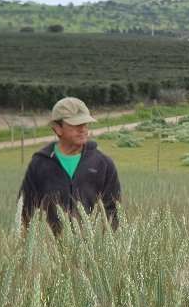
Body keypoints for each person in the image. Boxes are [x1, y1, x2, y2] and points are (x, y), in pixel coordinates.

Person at [19, 97, 121, 234]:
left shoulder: (103, 164)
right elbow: (25, 210)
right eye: (76, 125)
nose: (83, 129)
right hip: (50, 250)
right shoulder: (39, 164)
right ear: (57, 128)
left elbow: (113, 211)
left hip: (93, 251)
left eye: (85, 123)